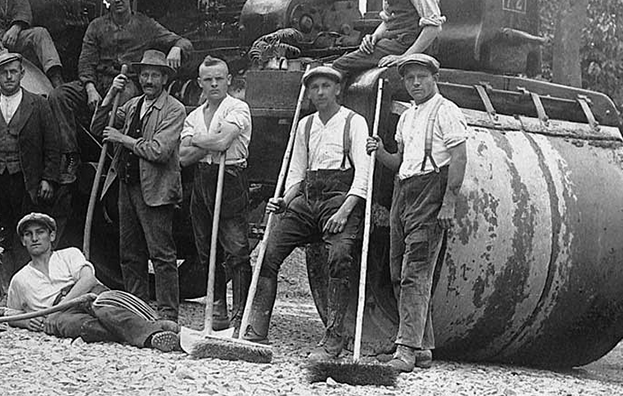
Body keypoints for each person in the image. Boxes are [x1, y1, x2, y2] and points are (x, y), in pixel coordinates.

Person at [242, 65, 370, 361]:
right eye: (315, 88)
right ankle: (256, 329)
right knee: (267, 253)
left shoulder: (354, 122)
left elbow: (364, 174)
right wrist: (284, 201)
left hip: (340, 199)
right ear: (308, 93)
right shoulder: (306, 125)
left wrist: (345, 211)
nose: (320, 92)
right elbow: (297, 173)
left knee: (338, 258)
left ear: (338, 89)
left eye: (326, 86)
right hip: (306, 199)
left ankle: (334, 339)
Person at [366, 53, 468, 373]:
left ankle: (406, 349)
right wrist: (379, 150)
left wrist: (449, 201)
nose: (415, 83)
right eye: (409, 78)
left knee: (416, 273)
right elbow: (398, 161)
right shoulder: (407, 116)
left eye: (421, 77)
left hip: (430, 192)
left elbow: (460, 157)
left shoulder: (446, 111)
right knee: (397, 271)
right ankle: (421, 346)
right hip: (403, 191)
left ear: (433, 77)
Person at [48, 0, 192, 188]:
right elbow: (86, 60)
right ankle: (70, 156)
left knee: (126, 102)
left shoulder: (146, 25)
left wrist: (176, 49)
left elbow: (183, 41)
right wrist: (89, 88)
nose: (116, 0)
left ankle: (119, 159)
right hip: (97, 81)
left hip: (127, 82)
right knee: (59, 95)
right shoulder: (96, 26)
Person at [91, 49, 185, 321]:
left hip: (155, 189)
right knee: (130, 252)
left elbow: (159, 151)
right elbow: (99, 127)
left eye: (155, 75)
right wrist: (110, 94)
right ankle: (136, 309)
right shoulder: (132, 104)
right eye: (144, 74)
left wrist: (124, 139)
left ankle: (168, 314)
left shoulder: (174, 109)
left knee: (161, 254)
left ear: (165, 79)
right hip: (127, 185)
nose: (149, 80)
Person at [6, 213, 181, 352]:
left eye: (40, 232)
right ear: (23, 241)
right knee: (77, 326)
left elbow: (88, 279)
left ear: (52, 236)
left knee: (105, 308)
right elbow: (10, 314)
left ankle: (151, 335)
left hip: (85, 293)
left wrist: (64, 304)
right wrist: (26, 322)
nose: (34, 238)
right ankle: (155, 332)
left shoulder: (69, 254)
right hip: (57, 314)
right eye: (28, 234)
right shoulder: (20, 278)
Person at [0, 52, 61, 296]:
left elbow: (53, 144)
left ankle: (31, 290)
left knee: (28, 234)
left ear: (22, 74)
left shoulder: (39, 104)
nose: (9, 76)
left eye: (14, 71)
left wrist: (48, 178)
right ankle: (5, 291)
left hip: (27, 181)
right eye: (4, 73)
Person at [179, 56, 252, 330]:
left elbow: (222, 142)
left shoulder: (238, 108)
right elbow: (182, 157)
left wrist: (197, 140)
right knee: (207, 249)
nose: (214, 84)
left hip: (231, 176)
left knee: (236, 248)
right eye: (208, 79)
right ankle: (218, 308)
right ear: (200, 83)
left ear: (229, 80)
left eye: (219, 78)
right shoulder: (194, 116)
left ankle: (242, 312)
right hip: (202, 179)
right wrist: (212, 142)